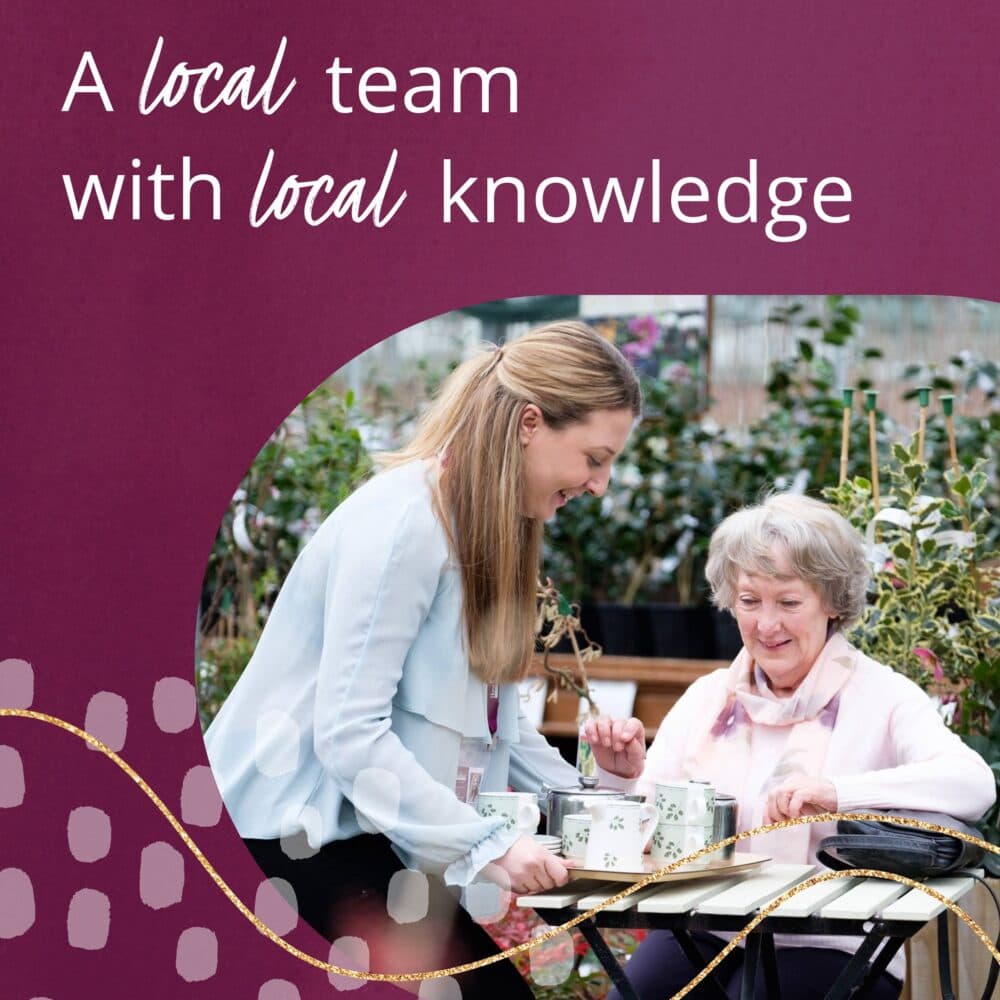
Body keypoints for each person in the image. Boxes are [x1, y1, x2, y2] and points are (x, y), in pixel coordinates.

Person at [203, 321, 640, 992]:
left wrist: (589, 799)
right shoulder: (406, 525)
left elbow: (501, 729)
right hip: (280, 838)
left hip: (353, 839)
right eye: (594, 457)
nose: (600, 485)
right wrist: (487, 844)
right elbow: (349, 735)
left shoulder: (487, 530)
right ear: (530, 423)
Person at [584, 493, 995, 1000]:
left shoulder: (882, 695)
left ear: (834, 601)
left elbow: (973, 782)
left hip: (836, 939)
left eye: (789, 602)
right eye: (749, 601)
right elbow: (642, 830)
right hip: (705, 924)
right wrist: (618, 778)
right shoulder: (708, 698)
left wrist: (837, 792)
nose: (766, 624)